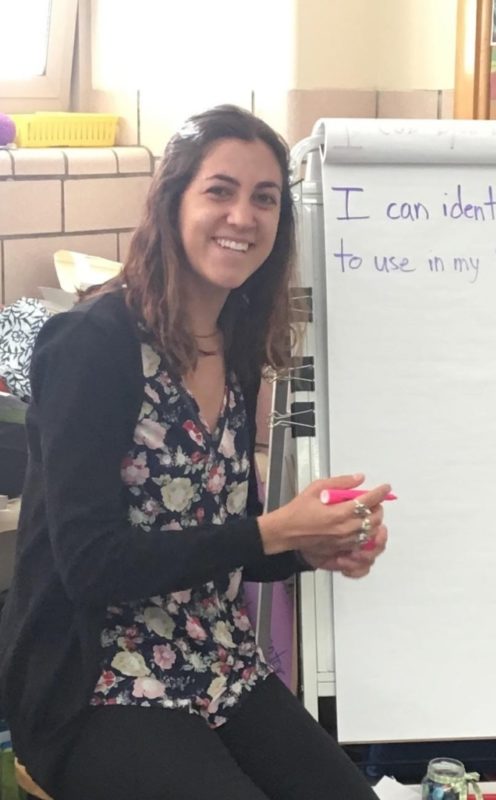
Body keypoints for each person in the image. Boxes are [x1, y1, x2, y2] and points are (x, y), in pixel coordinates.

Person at [0, 104, 390, 800]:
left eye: (264, 199)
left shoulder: (235, 344)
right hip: (96, 682)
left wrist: (311, 546)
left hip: (215, 657)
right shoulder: (92, 344)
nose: (243, 215)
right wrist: (273, 530)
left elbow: (215, 539)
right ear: (173, 200)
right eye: (220, 190)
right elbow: (91, 566)